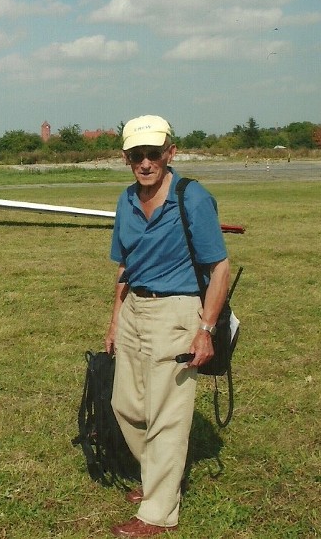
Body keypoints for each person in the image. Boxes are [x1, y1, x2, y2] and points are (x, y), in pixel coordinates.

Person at [105, 115, 230, 537]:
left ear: (170, 153)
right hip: (135, 309)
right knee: (127, 405)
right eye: (136, 155)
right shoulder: (125, 200)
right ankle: (158, 477)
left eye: (153, 153)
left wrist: (205, 329)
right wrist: (114, 319)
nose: (145, 163)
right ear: (126, 158)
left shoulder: (191, 197)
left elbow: (219, 266)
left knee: (167, 414)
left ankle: (157, 512)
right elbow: (125, 265)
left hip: (177, 312)